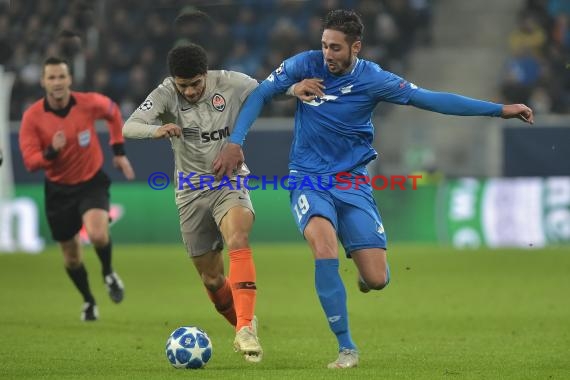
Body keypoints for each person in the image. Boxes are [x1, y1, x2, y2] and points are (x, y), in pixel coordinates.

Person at [214, 9, 534, 369]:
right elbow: (260, 93)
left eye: (335, 48)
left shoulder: (375, 79)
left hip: (352, 180)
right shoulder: (304, 65)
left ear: (356, 47)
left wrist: (498, 110)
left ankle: (367, 273)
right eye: (323, 46)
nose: (327, 55)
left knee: (377, 279)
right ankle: (346, 348)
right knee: (324, 247)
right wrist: (237, 140)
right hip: (308, 177)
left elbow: (430, 99)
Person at [123, 43, 313, 363]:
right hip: (189, 189)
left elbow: (266, 91)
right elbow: (129, 126)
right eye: (183, 85)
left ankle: (245, 329)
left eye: (196, 83)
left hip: (229, 179)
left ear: (205, 75)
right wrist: (156, 130)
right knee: (211, 278)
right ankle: (244, 322)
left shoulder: (230, 82)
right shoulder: (166, 93)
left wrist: (295, 88)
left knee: (238, 236)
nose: (190, 91)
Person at [19, 57, 135, 322]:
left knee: (97, 234)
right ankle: (89, 300)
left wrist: (118, 151)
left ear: (70, 79)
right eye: (52, 77)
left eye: (61, 76)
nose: (57, 82)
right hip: (58, 190)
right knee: (71, 257)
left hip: (91, 181)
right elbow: (30, 162)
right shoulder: (33, 118)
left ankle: (108, 272)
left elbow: (113, 112)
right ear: (43, 82)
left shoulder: (88, 103)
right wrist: (51, 152)